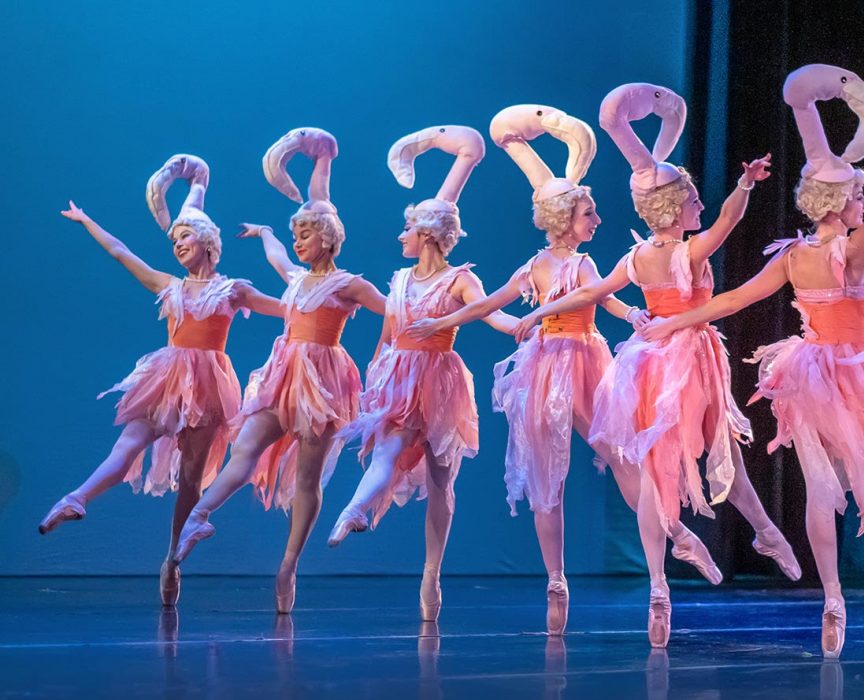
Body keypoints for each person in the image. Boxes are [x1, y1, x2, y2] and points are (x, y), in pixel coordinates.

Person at [638, 65, 864, 657]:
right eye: (855, 193)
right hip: (849, 374)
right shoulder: (850, 253)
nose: (860, 200)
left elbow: (732, 298)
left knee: (822, 492)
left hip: (808, 373)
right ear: (843, 201)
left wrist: (676, 319)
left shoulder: (796, 256)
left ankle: (832, 598)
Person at [406, 104, 724, 636]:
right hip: (544, 369)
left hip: (584, 360)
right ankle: (556, 579)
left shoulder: (583, 264)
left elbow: (604, 300)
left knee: (623, 458)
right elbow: (489, 305)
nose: (597, 221)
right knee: (545, 475)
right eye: (588, 215)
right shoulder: (535, 267)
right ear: (563, 220)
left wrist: (635, 313)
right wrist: (456, 317)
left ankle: (673, 537)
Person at [513, 84, 795, 646]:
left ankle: (662, 585)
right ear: (676, 207)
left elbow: (587, 295)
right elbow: (728, 225)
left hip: (645, 364)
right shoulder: (689, 252)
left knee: (656, 477)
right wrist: (743, 184)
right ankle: (762, 531)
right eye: (693, 200)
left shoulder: (637, 257)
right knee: (719, 454)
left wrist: (541, 308)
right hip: (683, 362)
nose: (699, 207)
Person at [40, 155, 282, 607]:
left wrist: (325, 298)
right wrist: (86, 220)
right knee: (127, 444)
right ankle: (77, 498)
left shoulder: (233, 290)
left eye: (184, 236)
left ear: (208, 242)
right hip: (167, 377)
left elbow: (290, 310)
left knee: (190, 480)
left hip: (209, 385)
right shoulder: (168, 285)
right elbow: (120, 252)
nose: (176, 244)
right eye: (173, 239)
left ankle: (172, 560)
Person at [173, 128, 386, 614]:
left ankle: (288, 567)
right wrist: (267, 234)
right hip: (282, 373)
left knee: (307, 481)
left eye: (304, 234)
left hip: (325, 380)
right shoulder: (293, 276)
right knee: (244, 449)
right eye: (295, 235)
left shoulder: (349, 284)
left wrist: (387, 352)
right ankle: (199, 517)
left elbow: (391, 311)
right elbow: (277, 258)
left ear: (327, 237)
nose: (297, 241)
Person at [328, 125, 517, 623]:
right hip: (398, 376)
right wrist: (374, 382)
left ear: (428, 234)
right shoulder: (398, 279)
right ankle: (354, 509)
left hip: (442, 380)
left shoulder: (461, 278)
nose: (400, 236)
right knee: (388, 449)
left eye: (408, 229)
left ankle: (431, 573)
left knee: (440, 479)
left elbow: (490, 314)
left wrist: (525, 323)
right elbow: (387, 335)